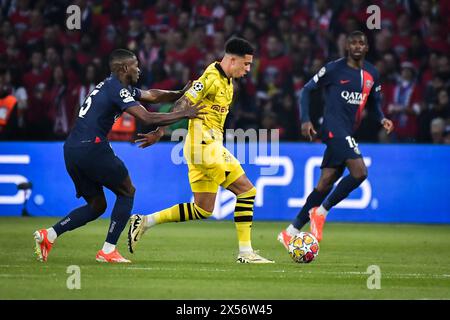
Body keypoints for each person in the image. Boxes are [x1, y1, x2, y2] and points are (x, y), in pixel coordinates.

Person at [34, 49, 205, 263]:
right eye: (135, 65)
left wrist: (179, 93)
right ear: (124, 68)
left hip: (71, 150)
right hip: (92, 147)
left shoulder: (113, 86)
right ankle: (107, 251)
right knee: (127, 191)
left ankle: (49, 235)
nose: (139, 69)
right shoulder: (117, 89)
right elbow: (148, 117)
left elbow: (152, 95)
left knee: (97, 205)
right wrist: (184, 113)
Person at [128, 38, 274, 263]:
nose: (248, 70)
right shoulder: (210, 78)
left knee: (203, 208)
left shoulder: (228, 83)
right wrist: (160, 129)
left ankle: (145, 221)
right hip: (205, 146)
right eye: (246, 64)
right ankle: (246, 253)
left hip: (201, 148)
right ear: (232, 59)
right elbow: (183, 103)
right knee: (247, 191)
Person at [278, 31, 394, 247]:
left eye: (362, 43)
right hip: (333, 128)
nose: (357, 46)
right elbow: (306, 90)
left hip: (348, 131)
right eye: (353, 43)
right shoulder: (333, 69)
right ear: (347, 46)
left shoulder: (372, 73)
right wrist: (305, 120)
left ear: (367, 47)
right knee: (360, 172)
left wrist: (382, 118)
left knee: (325, 183)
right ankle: (320, 212)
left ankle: (290, 231)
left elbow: (375, 102)